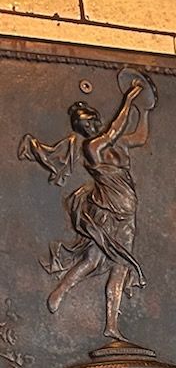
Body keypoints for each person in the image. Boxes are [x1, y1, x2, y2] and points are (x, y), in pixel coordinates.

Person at [18, 74, 153, 343]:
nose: (87, 127)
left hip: (127, 215)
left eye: (89, 121)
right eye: (81, 125)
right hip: (107, 211)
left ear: (95, 117)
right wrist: (128, 98)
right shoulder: (93, 147)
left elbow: (139, 136)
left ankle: (111, 326)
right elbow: (115, 129)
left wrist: (145, 110)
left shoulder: (118, 145)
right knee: (92, 259)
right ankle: (60, 291)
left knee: (120, 267)